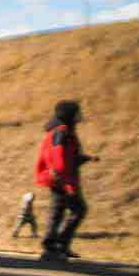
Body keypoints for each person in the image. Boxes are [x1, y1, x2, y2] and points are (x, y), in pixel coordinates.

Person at [35, 99, 97, 262]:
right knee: (74, 210)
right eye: (77, 113)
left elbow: (69, 158)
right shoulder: (61, 132)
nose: (80, 115)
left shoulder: (66, 131)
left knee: (61, 212)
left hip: (64, 178)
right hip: (61, 180)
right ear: (70, 115)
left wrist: (85, 158)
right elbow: (58, 157)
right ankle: (53, 247)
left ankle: (57, 246)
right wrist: (66, 182)